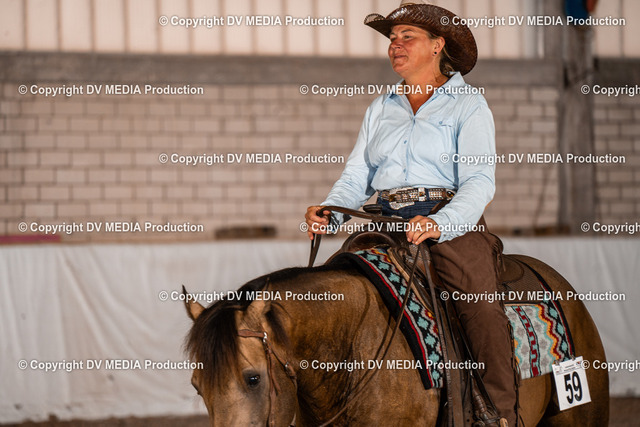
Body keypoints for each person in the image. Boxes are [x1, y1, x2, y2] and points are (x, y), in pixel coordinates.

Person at [304, 1, 516, 426]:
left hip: (447, 222)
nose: (395, 45)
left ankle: (497, 413)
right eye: (392, 38)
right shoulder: (381, 107)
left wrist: (440, 223)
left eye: (407, 37)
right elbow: (357, 175)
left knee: (478, 306)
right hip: (385, 223)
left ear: (437, 45)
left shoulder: (468, 104)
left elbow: (479, 182)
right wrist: (332, 211)